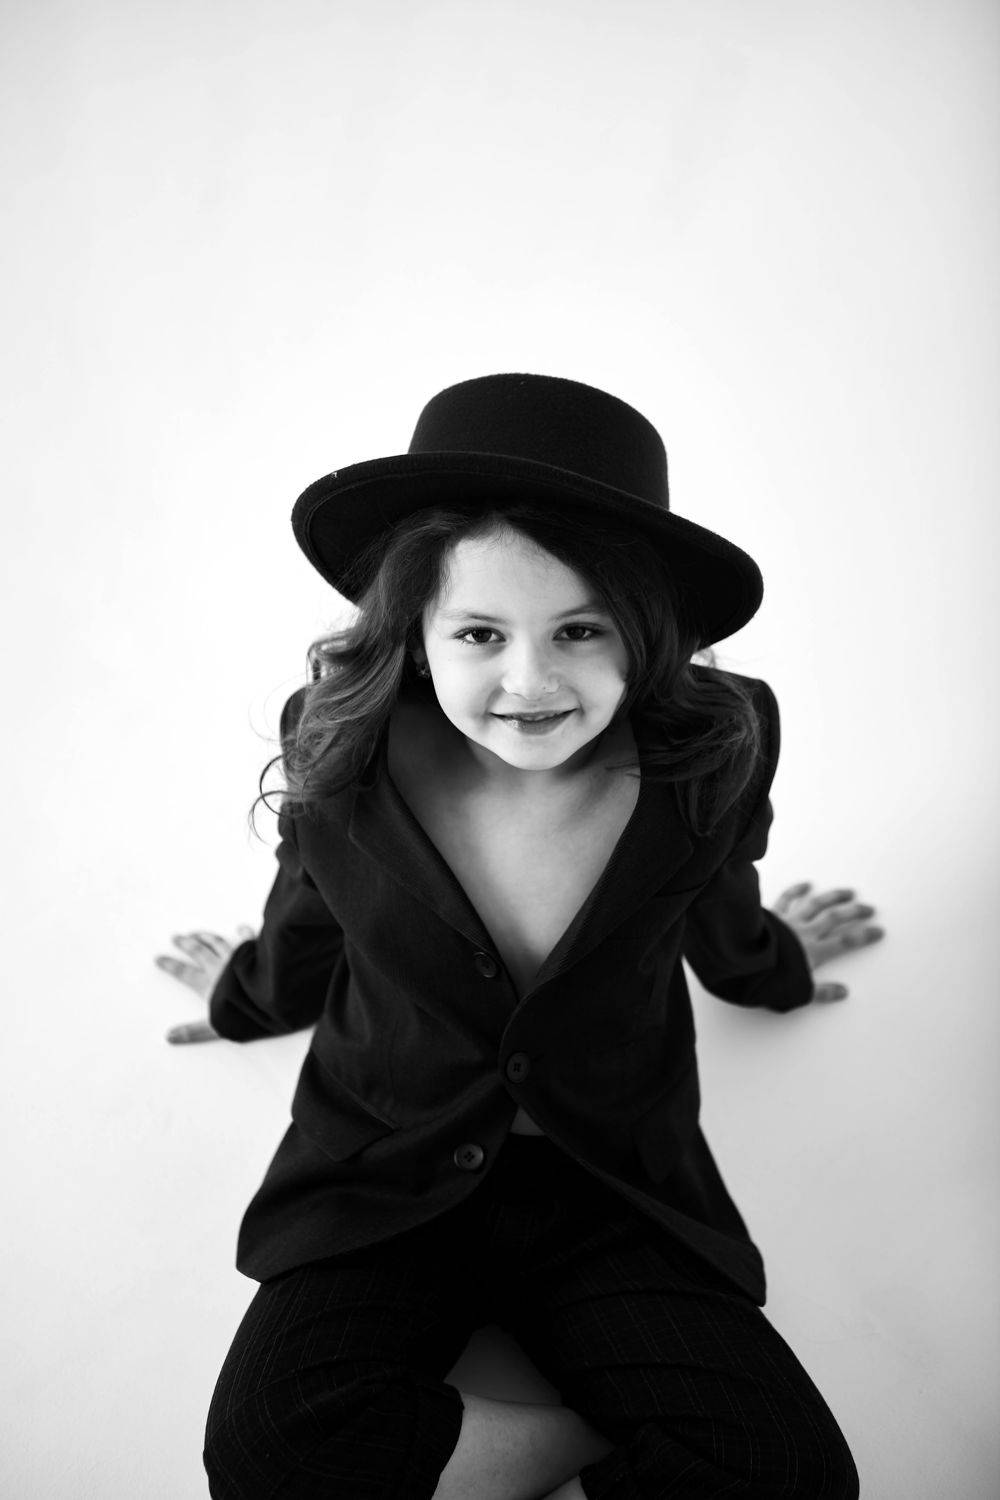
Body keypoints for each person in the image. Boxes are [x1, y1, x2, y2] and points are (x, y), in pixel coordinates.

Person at [155, 373, 883, 1498]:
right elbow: (308, 909)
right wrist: (245, 999)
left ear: (645, 636)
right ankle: (592, 1435)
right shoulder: (344, 741)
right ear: (417, 635)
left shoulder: (715, 745)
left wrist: (774, 970)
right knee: (275, 1451)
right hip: (385, 1162)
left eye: (580, 630)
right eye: (481, 633)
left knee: (786, 1472)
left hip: (609, 1179)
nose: (530, 681)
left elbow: (721, 906)